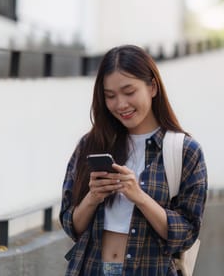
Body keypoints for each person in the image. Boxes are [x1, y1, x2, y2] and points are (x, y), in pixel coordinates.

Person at [60, 44, 207, 276]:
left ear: (152, 87)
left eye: (129, 92)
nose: (120, 104)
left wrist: (140, 197)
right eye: (110, 96)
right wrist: (93, 197)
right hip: (91, 269)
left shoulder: (184, 151)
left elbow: (186, 234)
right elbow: (70, 225)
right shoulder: (90, 145)